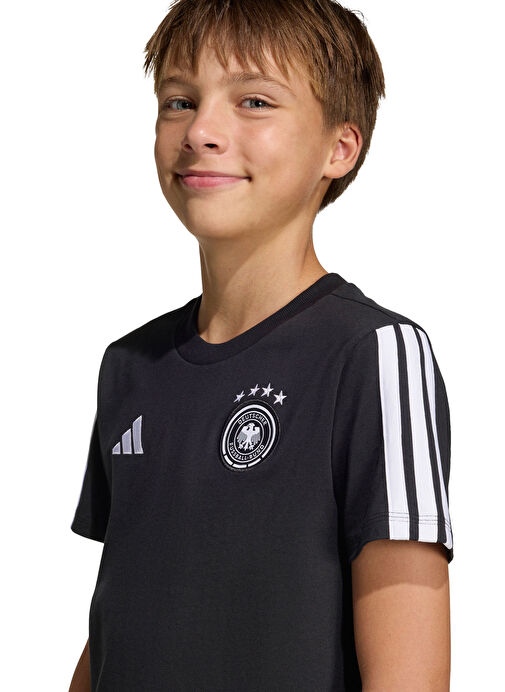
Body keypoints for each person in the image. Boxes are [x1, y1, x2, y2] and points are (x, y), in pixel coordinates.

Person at [69, 1, 454, 690]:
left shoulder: (374, 354)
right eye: (179, 101)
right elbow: (122, 621)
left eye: (253, 101)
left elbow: (409, 677)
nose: (201, 131)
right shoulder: (128, 366)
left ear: (339, 148)